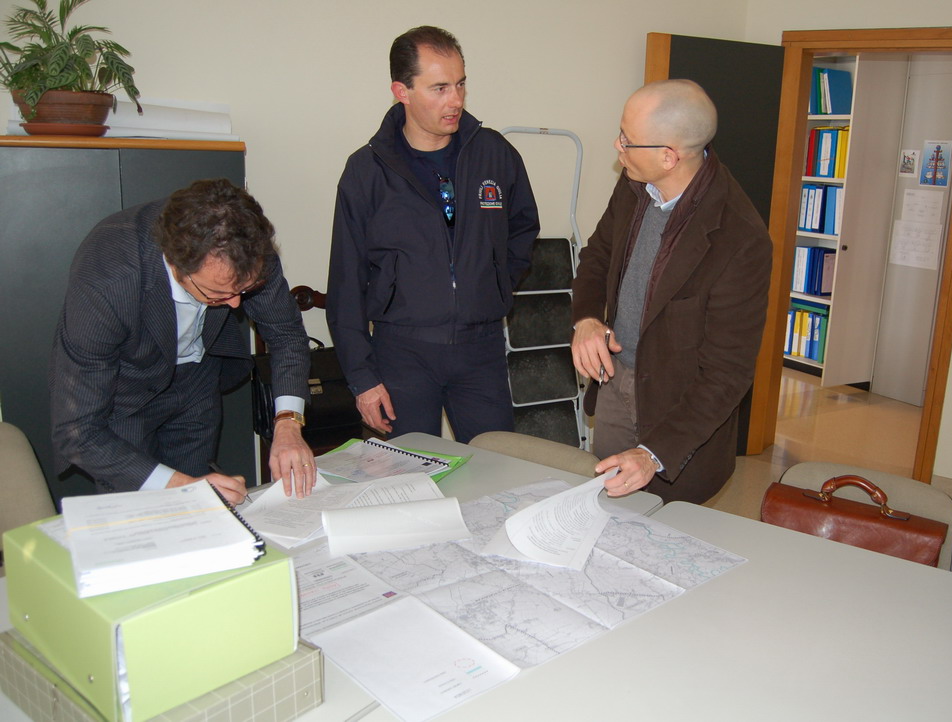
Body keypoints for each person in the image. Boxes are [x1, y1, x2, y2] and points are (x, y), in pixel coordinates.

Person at [326, 25, 539, 442]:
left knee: (498, 466)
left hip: (481, 350)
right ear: (401, 92)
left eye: (460, 84)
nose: (455, 100)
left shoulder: (493, 153)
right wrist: (362, 378)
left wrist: (493, 284)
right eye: (439, 88)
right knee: (409, 472)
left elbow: (523, 227)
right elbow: (346, 281)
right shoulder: (367, 171)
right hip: (402, 353)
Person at [50, 178, 317, 504]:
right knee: (136, 508)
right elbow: (78, 431)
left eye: (244, 291)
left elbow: (286, 334)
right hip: (123, 392)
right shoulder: (110, 278)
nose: (236, 305)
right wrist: (182, 485)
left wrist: (288, 424)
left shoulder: (248, 246)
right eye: (218, 293)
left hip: (197, 379)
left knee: (197, 508)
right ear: (177, 265)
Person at [571, 79, 772, 504]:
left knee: (666, 528)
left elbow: (727, 372)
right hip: (616, 381)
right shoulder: (634, 183)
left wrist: (653, 454)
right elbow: (598, 255)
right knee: (604, 508)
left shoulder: (740, 237)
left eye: (627, 140)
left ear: (668, 156)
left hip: (679, 415)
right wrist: (587, 319)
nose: (617, 145)